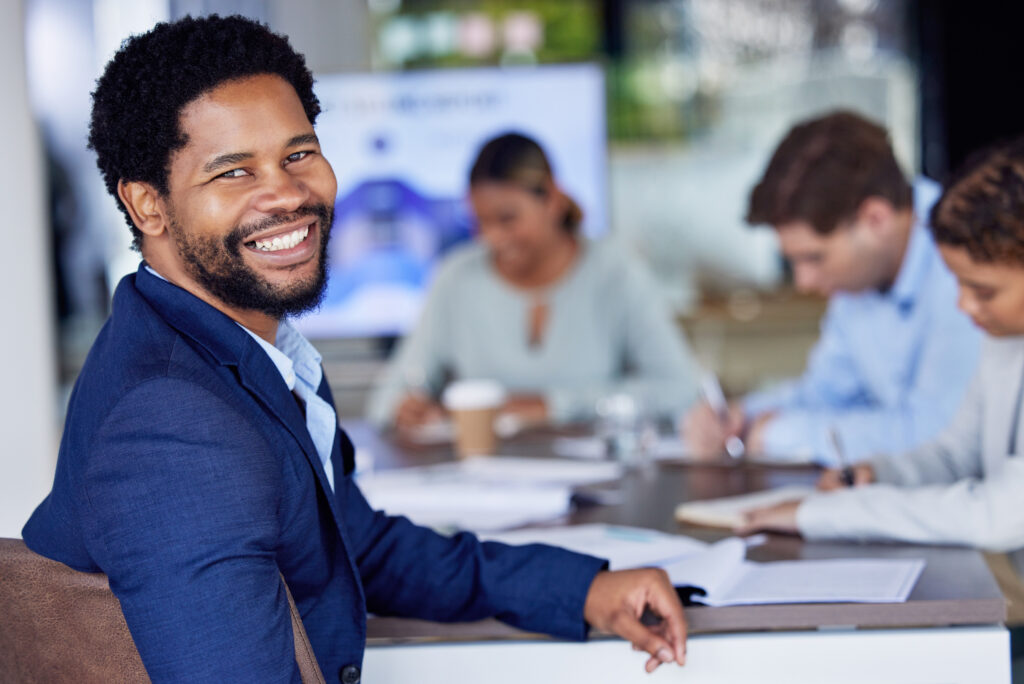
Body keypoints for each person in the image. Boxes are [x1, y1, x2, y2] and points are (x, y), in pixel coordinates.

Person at [21, 16, 687, 682]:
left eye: (298, 154)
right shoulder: (172, 423)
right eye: (233, 173)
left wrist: (582, 591)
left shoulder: (246, 355)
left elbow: (352, 546)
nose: (284, 194)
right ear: (147, 206)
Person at [738, 136, 1024, 557]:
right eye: (960, 284)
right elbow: (954, 454)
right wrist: (882, 472)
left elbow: (1001, 517)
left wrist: (823, 515)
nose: (962, 304)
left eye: (982, 290)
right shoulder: (1002, 331)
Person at [683, 111, 981, 464]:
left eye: (814, 258)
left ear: (875, 219)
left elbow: (937, 433)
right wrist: (740, 417)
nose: (804, 282)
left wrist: (780, 433)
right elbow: (826, 391)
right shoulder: (860, 278)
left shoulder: (965, 257)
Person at [366, 132, 699, 434]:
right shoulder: (456, 278)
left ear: (552, 200)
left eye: (507, 219)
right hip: (483, 483)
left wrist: (553, 405)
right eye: (480, 222)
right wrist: (404, 408)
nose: (492, 238)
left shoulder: (616, 273)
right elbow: (387, 398)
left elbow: (681, 389)